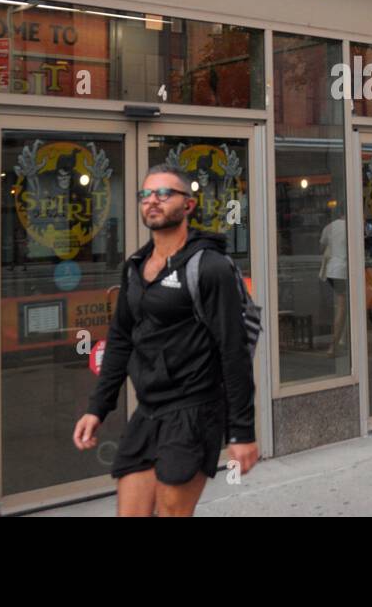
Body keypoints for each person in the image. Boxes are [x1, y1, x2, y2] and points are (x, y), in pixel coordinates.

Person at [72, 164, 257, 516]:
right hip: (148, 410)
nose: (152, 201)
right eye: (145, 195)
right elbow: (121, 339)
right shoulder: (136, 266)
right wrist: (98, 408)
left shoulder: (210, 267)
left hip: (195, 410)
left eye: (164, 193)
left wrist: (242, 432)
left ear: (188, 205)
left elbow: (233, 352)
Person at [319, 215, 348, 356]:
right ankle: (334, 345)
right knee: (342, 308)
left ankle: (343, 339)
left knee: (342, 306)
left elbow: (322, 246)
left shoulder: (329, 227)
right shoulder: (352, 226)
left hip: (331, 270)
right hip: (343, 270)